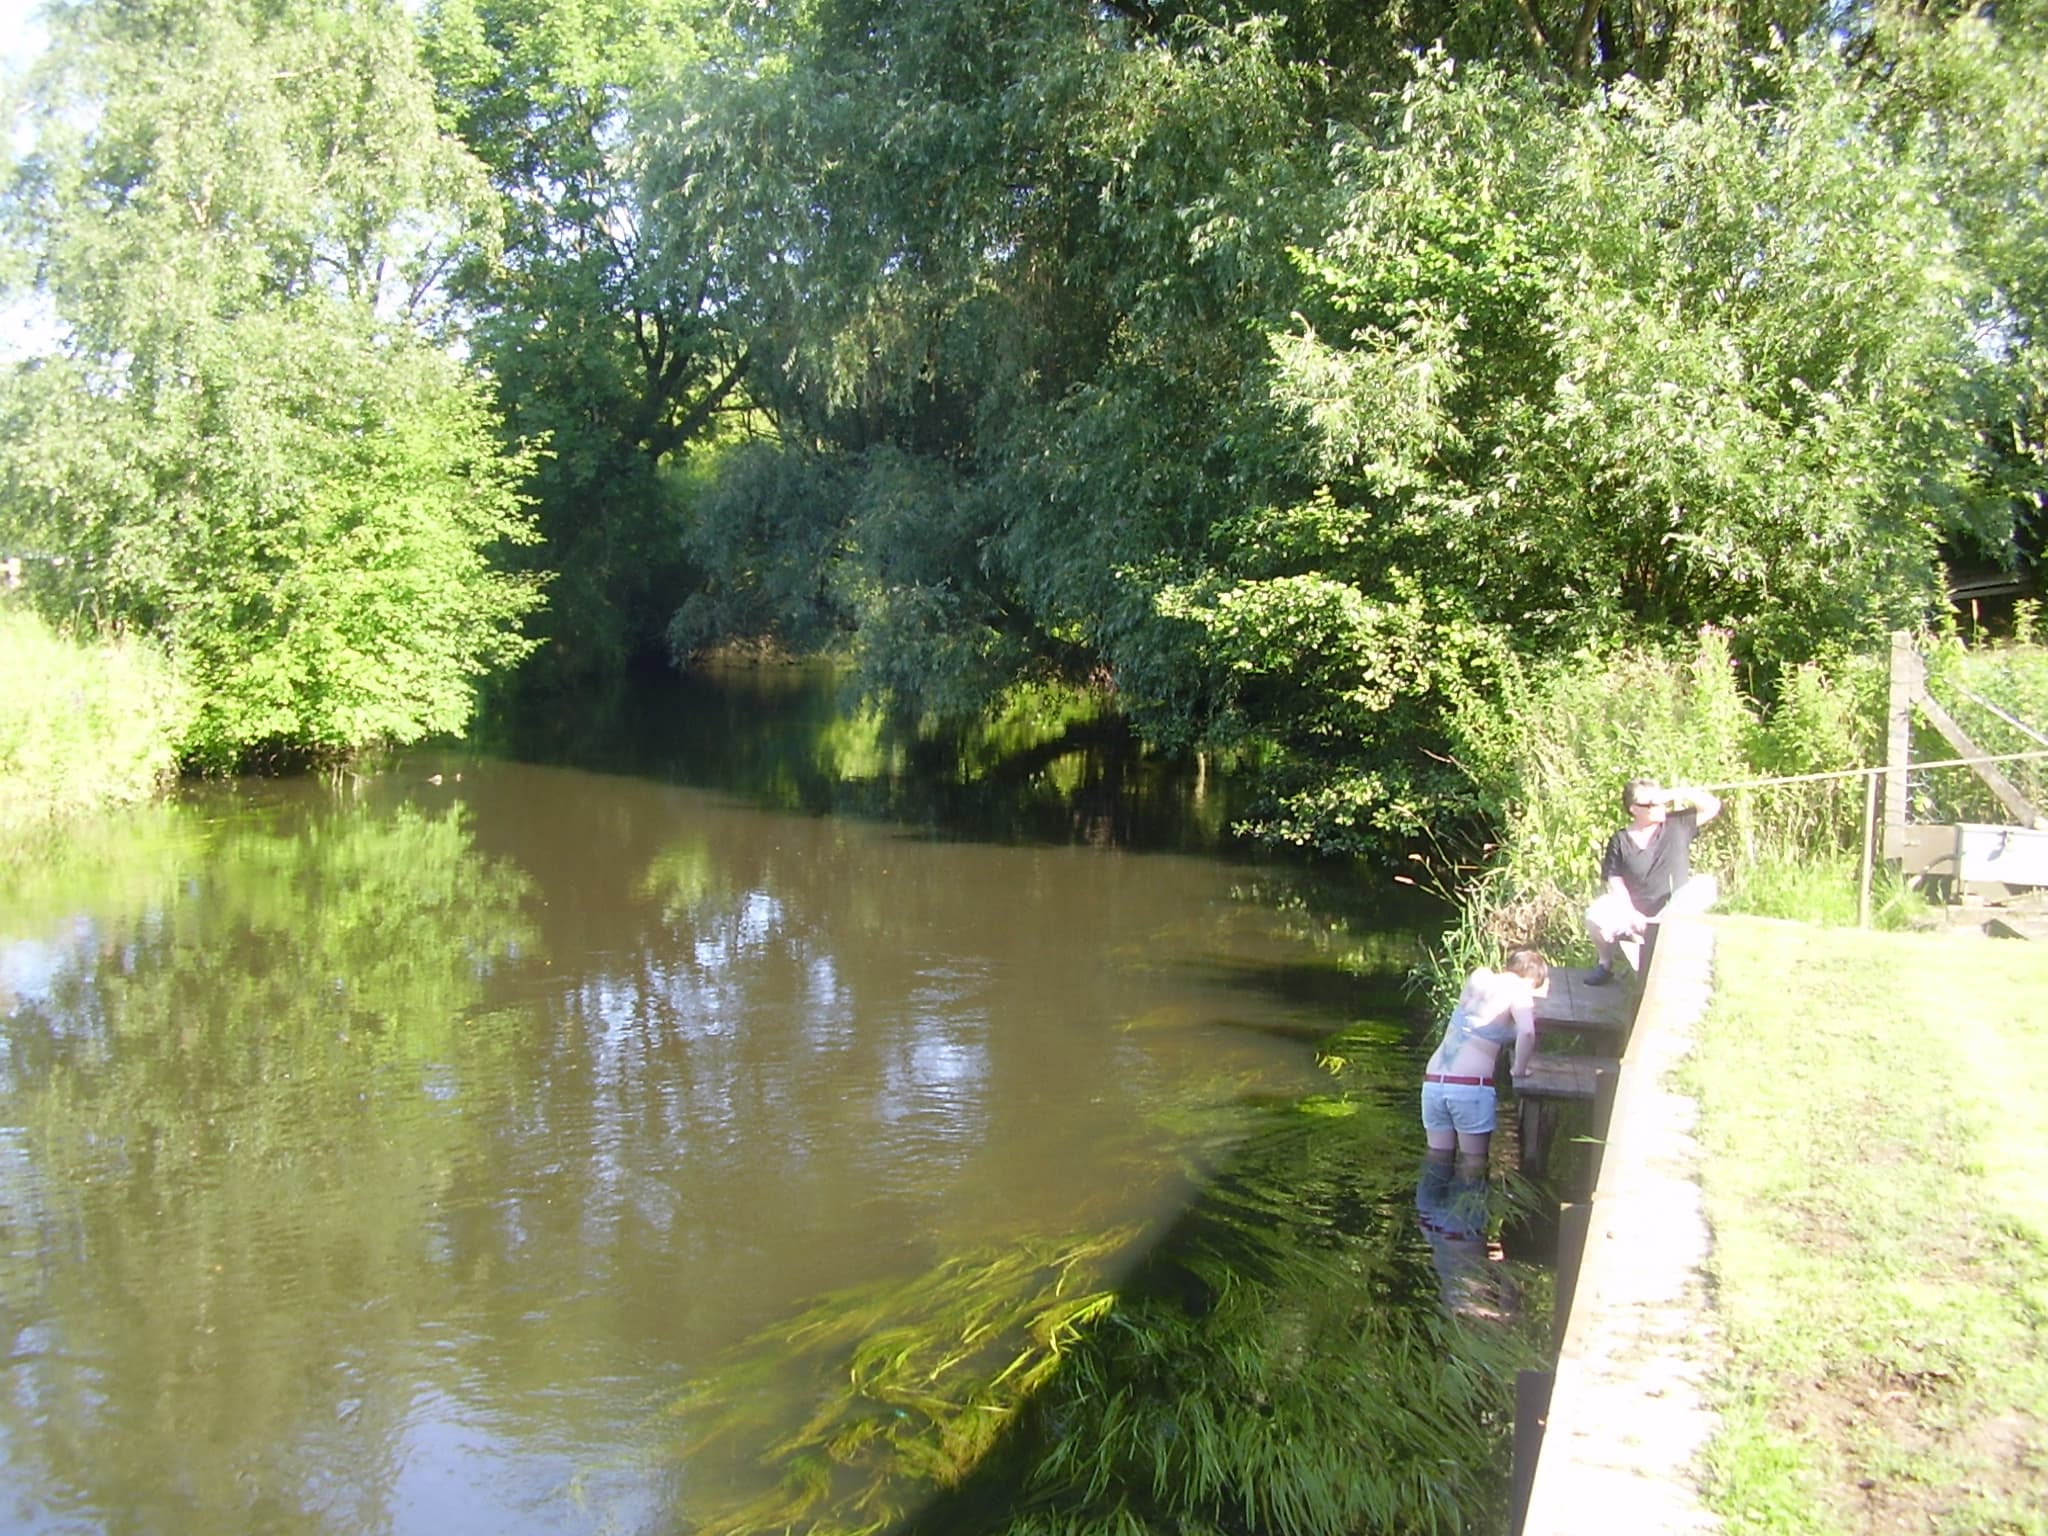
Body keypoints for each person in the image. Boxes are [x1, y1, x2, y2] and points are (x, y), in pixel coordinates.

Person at [1420, 947, 1548, 1171]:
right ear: (1531, 979)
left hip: (1433, 1081)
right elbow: (1527, 1032)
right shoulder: (1519, 989)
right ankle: (1470, 1196)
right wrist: (1518, 1069)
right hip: (1469, 1086)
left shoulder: (1479, 977)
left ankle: (1428, 1196)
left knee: (1437, 1159)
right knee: (1474, 1162)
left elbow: (1476, 1024)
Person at [1584, 777, 1722, 985]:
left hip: (1670, 910)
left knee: (1705, 884)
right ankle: (1605, 964)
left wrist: (1680, 791)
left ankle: (1661, 932)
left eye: (1661, 802)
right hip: (1634, 912)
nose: (1660, 807)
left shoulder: (1678, 824)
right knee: (1595, 914)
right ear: (1634, 809)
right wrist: (1631, 913)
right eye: (1651, 804)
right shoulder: (1620, 840)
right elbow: (1614, 879)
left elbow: (1712, 807)